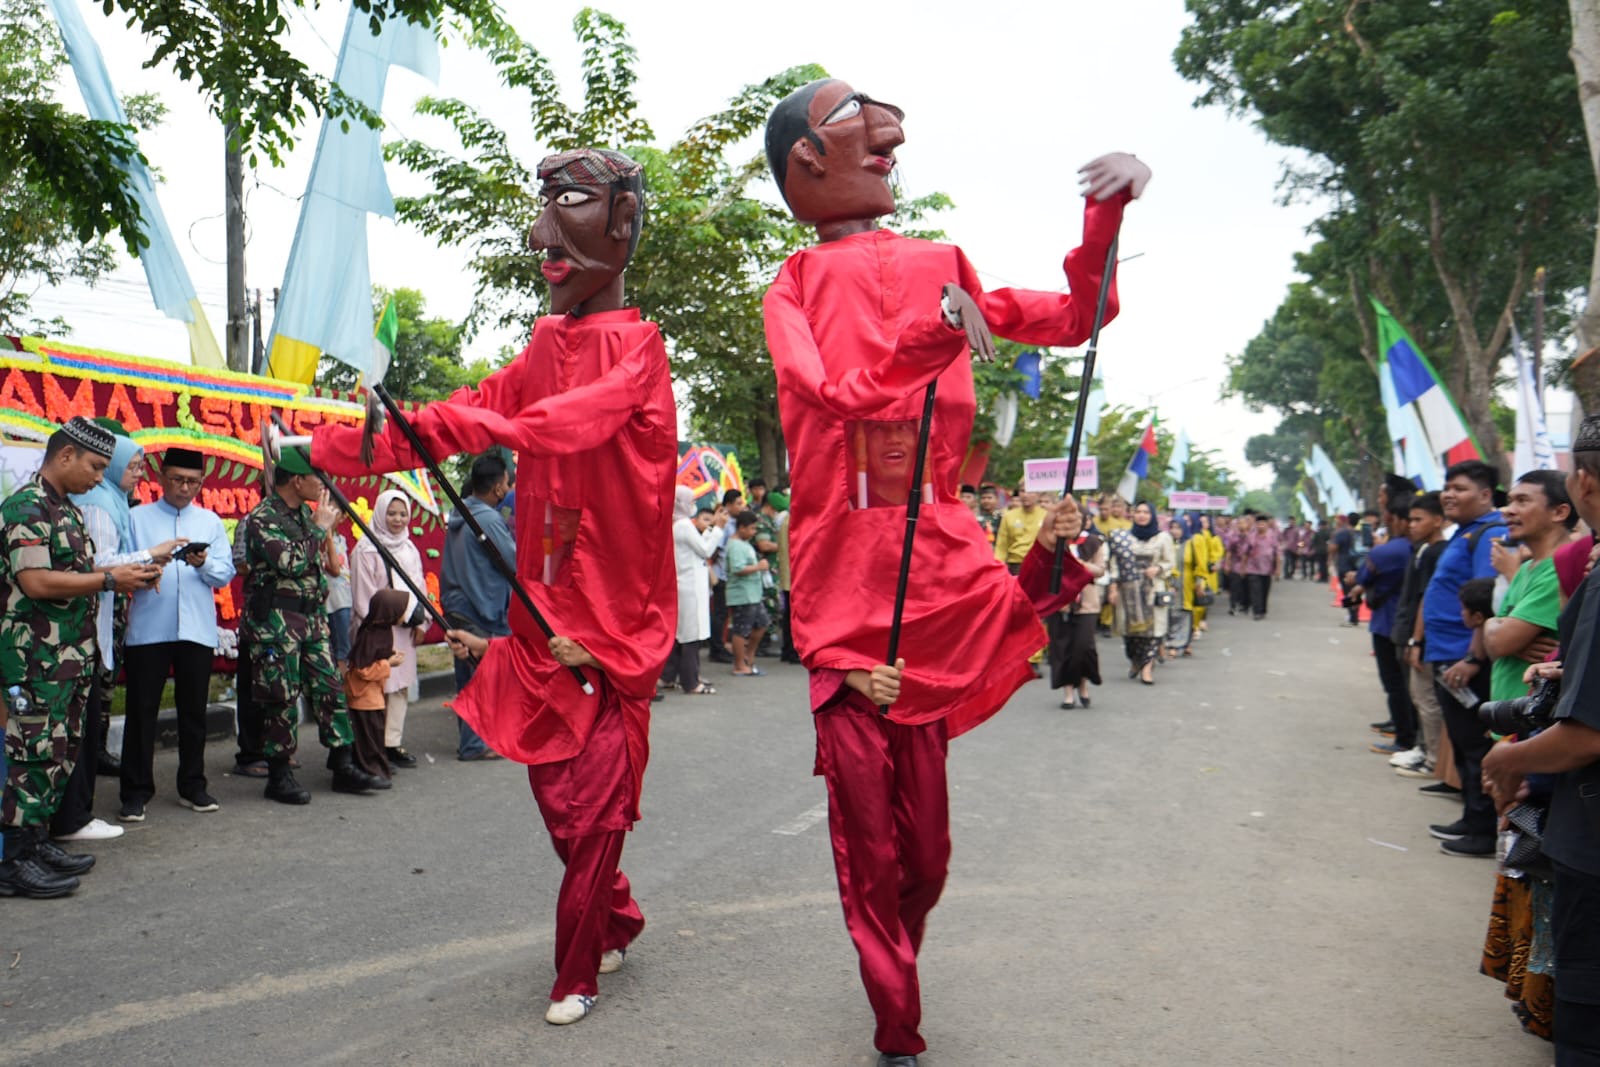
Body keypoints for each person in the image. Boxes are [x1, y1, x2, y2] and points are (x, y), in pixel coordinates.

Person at [762, 77, 1135, 1066]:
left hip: (938, 565)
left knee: (924, 857)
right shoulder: (792, 284)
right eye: (858, 121)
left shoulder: (944, 261)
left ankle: (897, 962)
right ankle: (897, 1028)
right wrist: (933, 335)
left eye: (888, 123)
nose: (888, 136)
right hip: (844, 579)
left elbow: (1075, 313)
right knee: (870, 846)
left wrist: (1105, 214)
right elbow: (829, 393)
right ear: (807, 160)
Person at [307, 148, 674, 1026]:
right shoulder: (547, 342)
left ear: (622, 223)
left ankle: (576, 967)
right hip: (539, 619)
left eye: (572, 204)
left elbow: (562, 423)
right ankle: (616, 910)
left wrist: (481, 422)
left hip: (614, 627)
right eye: (542, 208)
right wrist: (326, 449)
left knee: (593, 811)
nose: (544, 235)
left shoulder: (641, 351)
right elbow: (460, 415)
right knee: (558, 801)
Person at [0, 418, 161, 897]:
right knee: (30, 755)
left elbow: (76, 570)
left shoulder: (66, 510)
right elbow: (37, 582)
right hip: (34, 661)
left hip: (67, 658)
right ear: (65, 455)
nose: (98, 478)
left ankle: (34, 841)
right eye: (94, 467)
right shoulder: (27, 507)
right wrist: (111, 581)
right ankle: (11, 859)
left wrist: (125, 570)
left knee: (59, 752)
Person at [1482, 418, 1600, 1062]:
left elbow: (1585, 735)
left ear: (1580, 486)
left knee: (1583, 1010)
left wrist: (1511, 757)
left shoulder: (1586, 571)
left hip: (1587, 820)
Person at [241, 447, 385, 804]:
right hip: (276, 621)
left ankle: (342, 764)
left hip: (311, 619)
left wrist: (319, 529)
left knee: (330, 688)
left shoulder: (305, 516)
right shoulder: (263, 517)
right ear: (297, 479)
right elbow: (289, 562)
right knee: (281, 696)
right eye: (318, 478)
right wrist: (321, 529)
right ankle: (279, 774)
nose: (324, 486)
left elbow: (316, 566)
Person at [55, 424, 173, 841]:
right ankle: (68, 821)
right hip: (69, 638)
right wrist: (145, 559)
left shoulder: (107, 502)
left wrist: (144, 563)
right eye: (100, 466)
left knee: (79, 730)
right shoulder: (98, 505)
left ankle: (70, 819)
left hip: (88, 632)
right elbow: (98, 566)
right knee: (72, 734)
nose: (134, 472)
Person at [120, 446, 237, 821]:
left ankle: (193, 785)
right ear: (161, 478)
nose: (184, 488)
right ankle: (135, 792)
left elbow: (225, 573)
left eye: (192, 482)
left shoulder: (209, 521)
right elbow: (118, 562)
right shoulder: (137, 518)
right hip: (148, 629)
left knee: (193, 713)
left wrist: (203, 564)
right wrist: (148, 562)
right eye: (177, 480)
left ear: (201, 483)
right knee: (142, 712)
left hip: (197, 630)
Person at [1422, 460, 1508, 857]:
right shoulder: (1467, 533)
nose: (1449, 495)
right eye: (1447, 487)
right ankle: (1471, 820)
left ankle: (1481, 831)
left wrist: (1473, 659)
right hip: (1447, 655)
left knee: (1476, 747)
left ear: (1486, 495)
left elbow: (1486, 598)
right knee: (1462, 741)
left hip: (1465, 661)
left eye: (1460, 488)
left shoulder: (1490, 533)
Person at [440, 451, 514, 762]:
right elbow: (513, 561)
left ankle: (474, 740)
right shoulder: (487, 519)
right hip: (481, 608)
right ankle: (473, 744)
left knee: (467, 675)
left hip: (458, 603)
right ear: (498, 488)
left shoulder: (460, 514)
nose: (509, 489)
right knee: (481, 677)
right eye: (508, 484)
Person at [349, 488, 426, 770]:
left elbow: (419, 586)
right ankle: (373, 746)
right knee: (376, 685)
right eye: (391, 513)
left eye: (403, 513)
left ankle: (392, 742)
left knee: (399, 686)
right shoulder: (365, 550)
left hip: (405, 630)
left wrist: (422, 620)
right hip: (377, 629)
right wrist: (393, 616)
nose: (397, 519)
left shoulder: (409, 547)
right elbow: (362, 597)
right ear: (380, 513)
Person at [1352, 494, 1419, 763]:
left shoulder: (1386, 551)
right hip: (1409, 625)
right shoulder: (1417, 550)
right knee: (1404, 684)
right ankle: (1403, 728)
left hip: (1387, 623)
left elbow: (1362, 577)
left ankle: (1404, 737)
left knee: (1395, 683)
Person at [1395, 492, 1449, 781]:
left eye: (1419, 519)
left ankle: (1433, 760)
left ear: (1438, 520)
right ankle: (1426, 750)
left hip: (1429, 639)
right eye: (1411, 519)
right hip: (1427, 638)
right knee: (1421, 698)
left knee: (1427, 701)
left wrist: (1416, 640)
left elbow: (1427, 599)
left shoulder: (1436, 552)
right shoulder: (1426, 550)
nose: (1412, 525)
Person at [343, 588, 409, 784]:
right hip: (365, 696)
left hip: (372, 694)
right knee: (369, 734)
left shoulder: (380, 630)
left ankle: (376, 767)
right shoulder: (372, 635)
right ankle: (372, 769)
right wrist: (389, 663)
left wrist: (389, 654)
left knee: (374, 732)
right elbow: (363, 669)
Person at [664, 486, 723, 695]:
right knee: (691, 634)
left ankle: (670, 676)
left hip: (686, 585)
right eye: (690, 501)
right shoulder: (683, 525)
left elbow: (698, 545)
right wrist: (716, 529)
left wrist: (711, 528)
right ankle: (690, 681)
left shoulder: (678, 524)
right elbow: (705, 550)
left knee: (682, 634)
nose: (692, 505)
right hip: (690, 587)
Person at [1108, 501, 1175, 685]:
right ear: (1133, 515)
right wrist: (1113, 587)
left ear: (1152, 515)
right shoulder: (1124, 538)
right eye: (1138, 511)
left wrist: (1158, 568)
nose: (1142, 515)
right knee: (1130, 632)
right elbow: (1114, 564)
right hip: (1128, 591)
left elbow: (1170, 562)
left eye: (1146, 512)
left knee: (1153, 632)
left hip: (1152, 589)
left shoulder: (1163, 538)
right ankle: (1135, 661)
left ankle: (1147, 667)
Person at [1048, 526, 1106, 707]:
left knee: (1083, 647)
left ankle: (1082, 684)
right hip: (1060, 602)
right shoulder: (1052, 542)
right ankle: (1068, 692)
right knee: (1062, 646)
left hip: (1086, 602)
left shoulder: (1094, 543)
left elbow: (1100, 570)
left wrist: (1081, 564)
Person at [724, 509, 770, 677]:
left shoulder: (744, 543)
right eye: (751, 529)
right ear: (741, 528)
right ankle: (739, 664)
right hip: (742, 594)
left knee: (762, 623)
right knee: (741, 630)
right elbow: (737, 569)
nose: (753, 532)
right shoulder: (735, 545)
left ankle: (748, 656)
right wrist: (758, 567)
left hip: (753, 593)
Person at [708, 488, 743, 664]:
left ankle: (721, 645)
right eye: (738, 503)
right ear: (728, 505)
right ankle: (716, 649)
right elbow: (715, 549)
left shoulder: (734, 522)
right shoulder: (725, 524)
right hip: (721, 574)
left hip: (727, 575)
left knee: (724, 613)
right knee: (720, 613)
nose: (741, 507)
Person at [994, 484, 1046, 574]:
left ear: (1038, 494)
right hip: (1015, 565)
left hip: (1040, 564)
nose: (1025, 495)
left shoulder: (1046, 516)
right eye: (1022, 491)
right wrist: (998, 567)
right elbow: (1001, 545)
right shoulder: (1009, 516)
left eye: (1030, 491)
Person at [1163, 518, 1195, 659]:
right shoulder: (1166, 543)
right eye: (1172, 528)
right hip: (1169, 583)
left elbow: (1198, 565)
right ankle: (1173, 644)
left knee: (1185, 613)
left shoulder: (1191, 544)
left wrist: (1200, 582)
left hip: (1187, 584)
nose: (1175, 531)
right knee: (1171, 614)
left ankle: (1184, 643)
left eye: (1178, 528)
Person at [325, 530, 352, 670]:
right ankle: (342, 688)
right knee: (341, 651)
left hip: (346, 598)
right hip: (335, 602)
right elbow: (335, 570)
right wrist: (328, 536)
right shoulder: (323, 539)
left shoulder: (341, 538)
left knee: (346, 649)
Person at [1245, 513, 1279, 620]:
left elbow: (1277, 553)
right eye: (1258, 524)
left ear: (1267, 525)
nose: (1260, 526)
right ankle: (1257, 612)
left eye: (1263, 524)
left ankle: (1263, 610)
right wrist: (1243, 567)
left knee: (1264, 591)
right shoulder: (1251, 536)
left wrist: (1278, 568)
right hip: (1253, 568)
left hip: (1267, 569)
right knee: (1255, 590)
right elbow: (1246, 552)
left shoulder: (1272, 536)